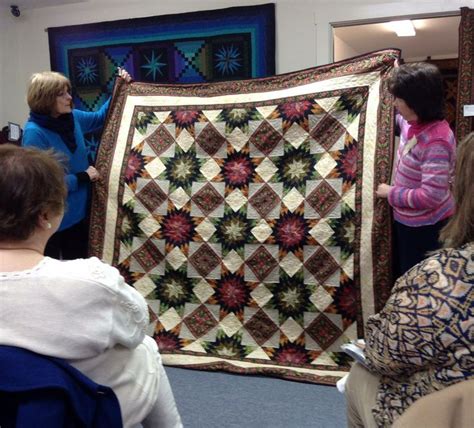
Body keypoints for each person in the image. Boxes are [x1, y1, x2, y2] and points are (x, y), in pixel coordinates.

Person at [0, 144, 182, 428]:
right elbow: (136, 327)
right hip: (73, 410)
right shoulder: (91, 282)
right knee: (144, 350)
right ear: (46, 215)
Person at [346, 132, 474, 427]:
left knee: (360, 375)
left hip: (448, 412)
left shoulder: (445, 277)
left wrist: (391, 193)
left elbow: (384, 351)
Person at [22, 68, 131, 260]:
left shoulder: (72, 118)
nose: (69, 97)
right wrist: (81, 177)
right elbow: (39, 186)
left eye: (68, 91)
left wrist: (119, 88)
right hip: (54, 222)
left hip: (81, 214)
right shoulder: (34, 133)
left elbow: (100, 117)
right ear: (46, 99)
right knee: (56, 278)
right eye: (62, 93)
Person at [376, 62, 456, 276]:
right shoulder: (410, 122)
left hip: (427, 227)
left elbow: (431, 196)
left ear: (416, 103)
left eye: (399, 99)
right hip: (407, 221)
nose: (394, 104)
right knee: (405, 272)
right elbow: (394, 121)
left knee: (420, 279)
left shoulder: (435, 142)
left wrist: (390, 193)